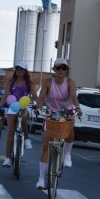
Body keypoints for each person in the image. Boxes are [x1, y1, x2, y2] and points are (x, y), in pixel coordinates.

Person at [33, 57, 82, 190]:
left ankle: (67, 155)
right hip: (51, 112)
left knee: (70, 129)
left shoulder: (70, 82)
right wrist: (37, 107)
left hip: (67, 111)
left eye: (63, 68)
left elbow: (73, 96)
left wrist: (77, 107)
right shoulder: (48, 82)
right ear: (54, 69)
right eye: (58, 68)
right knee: (45, 145)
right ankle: (41, 178)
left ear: (67, 70)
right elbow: (41, 97)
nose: (61, 70)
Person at [0, 61, 37, 167]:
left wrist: (38, 105)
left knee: (24, 118)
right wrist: (0, 106)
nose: (19, 71)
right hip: (13, 106)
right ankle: (7, 158)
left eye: (21, 69)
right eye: (17, 69)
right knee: (11, 131)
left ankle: (26, 138)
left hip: (25, 105)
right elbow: (6, 95)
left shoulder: (30, 83)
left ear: (25, 71)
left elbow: (34, 95)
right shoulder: (11, 82)